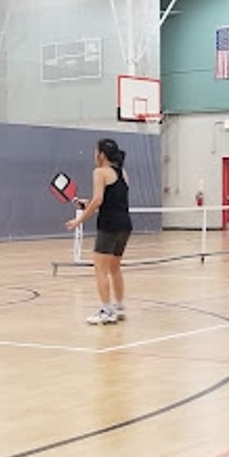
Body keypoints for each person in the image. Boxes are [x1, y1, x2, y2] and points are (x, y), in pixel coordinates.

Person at [66, 138, 132, 325]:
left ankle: (106, 310)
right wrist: (87, 202)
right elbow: (113, 198)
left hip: (109, 226)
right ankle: (119, 307)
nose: (94, 155)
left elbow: (98, 201)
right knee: (115, 268)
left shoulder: (99, 172)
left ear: (102, 155)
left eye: (96, 152)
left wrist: (79, 220)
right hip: (125, 225)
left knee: (100, 270)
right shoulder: (122, 173)